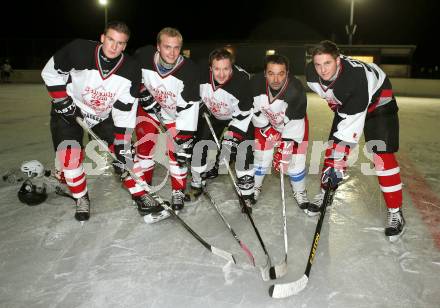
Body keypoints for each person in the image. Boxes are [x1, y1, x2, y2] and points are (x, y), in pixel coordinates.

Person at [41, 21, 160, 222]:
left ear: (125, 46)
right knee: (69, 158)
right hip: (69, 111)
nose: (114, 47)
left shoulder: (131, 69)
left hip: (104, 116)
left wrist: (121, 143)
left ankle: (141, 194)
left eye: (120, 43)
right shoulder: (79, 50)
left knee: (124, 154)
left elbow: (124, 110)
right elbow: (50, 73)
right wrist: (62, 100)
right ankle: (81, 198)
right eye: (111, 40)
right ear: (102, 38)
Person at [306, 40, 405, 242]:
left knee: (381, 156)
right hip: (350, 103)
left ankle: (395, 211)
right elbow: (335, 99)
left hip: (379, 104)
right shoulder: (311, 74)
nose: (322, 70)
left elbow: (350, 131)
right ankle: (327, 192)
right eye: (318, 64)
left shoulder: (354, 80)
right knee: (333, 149)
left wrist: (339, 161)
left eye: (327, 63)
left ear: (338, 60)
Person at [133, 27, 200, 211]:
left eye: (176, 48)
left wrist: (185, 138)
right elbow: (129, 74)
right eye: (167, 47)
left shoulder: (190, 71)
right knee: (145, 147)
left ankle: (178, 190)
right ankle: (144, 188)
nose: (172, 52)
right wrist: (140, 91)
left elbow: (190, 106)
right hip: (148, 108)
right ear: (158, 47)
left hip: (175, 114)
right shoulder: (143, 56)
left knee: (176, 152)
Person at [192, 48, 255, 213]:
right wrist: (200, 106)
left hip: (239, 117)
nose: (221, 74)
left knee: (244, 151)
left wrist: (233, 136)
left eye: (226, 69)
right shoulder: (199, 75)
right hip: (214, 113)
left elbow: (246, 112)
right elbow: (190, 94)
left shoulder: (242, 81)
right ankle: (198, 180)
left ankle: (246, 194)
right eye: (217, 69)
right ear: (210, 68)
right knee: (201, 145)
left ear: (231, 67)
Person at [251, 54, 309, 210]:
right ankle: (255, 187)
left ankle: (299, 191)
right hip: (266, 122)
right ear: (264, 73)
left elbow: (296, 121)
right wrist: (265, 128)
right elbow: (253, 110)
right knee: (261, 156)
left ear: (287, 73)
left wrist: (286, 148)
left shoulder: (295, 90)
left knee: (296, 160)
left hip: (293, 126)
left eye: (281, 73)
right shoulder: (255, 84)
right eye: (271, 73)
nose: (276, 80)